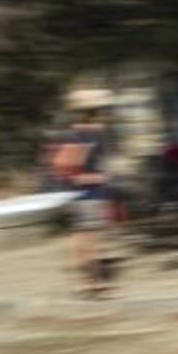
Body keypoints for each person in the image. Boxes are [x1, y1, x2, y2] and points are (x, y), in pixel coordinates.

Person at [52, 90, 116, 298]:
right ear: (94, 113)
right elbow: (67, 169)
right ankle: (89, 284)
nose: (107, 116)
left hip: (87, 195)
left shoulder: (81, 134)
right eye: (103, 112)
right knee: (89, 242)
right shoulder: (85, 136)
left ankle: (88, 284)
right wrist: (98, 178)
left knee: (85, 240)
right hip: (89, 195)